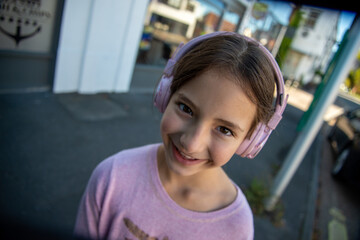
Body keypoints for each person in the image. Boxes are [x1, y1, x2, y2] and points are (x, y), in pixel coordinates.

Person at [74, 31, 288, 240]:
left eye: (224, 130)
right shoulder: (111, 178)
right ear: (165, 94)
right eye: (186, 108)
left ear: (249, 142)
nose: (191, 143)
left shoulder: (236, 228)